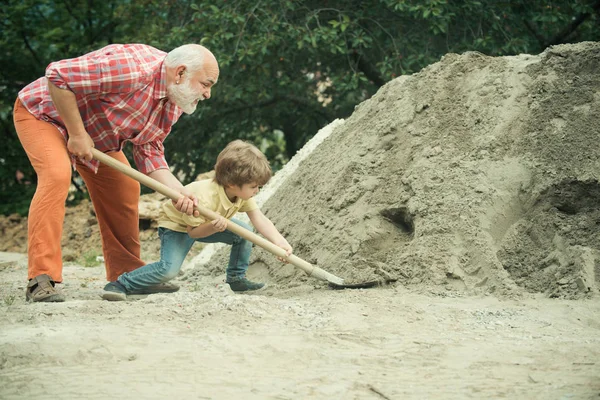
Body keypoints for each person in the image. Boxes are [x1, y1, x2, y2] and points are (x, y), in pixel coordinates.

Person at [13, 43, 219, 302]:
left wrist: (179, 193)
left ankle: (128, 273)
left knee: (125, 186)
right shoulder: (132, 69)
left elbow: (150, 152)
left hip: (96, 134)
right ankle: (40, 278)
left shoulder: (174, 101)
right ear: (180, 73)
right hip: (45, 114)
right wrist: (77, 133)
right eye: (206, 84)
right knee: (57, 175)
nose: (208, 94)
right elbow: (57, 76)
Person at [102, 140, 293, 301]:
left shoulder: (242, 194)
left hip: (207, 225)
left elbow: (259, 219)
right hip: (178, 227)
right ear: (232, 184)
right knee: (168, 270)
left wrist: (280, 243)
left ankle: (236, 279)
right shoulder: (203, 197)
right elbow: (193, 233)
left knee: (244, 234)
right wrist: (212, 226)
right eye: (254, 187)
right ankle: (121, 284)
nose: (256, 191)